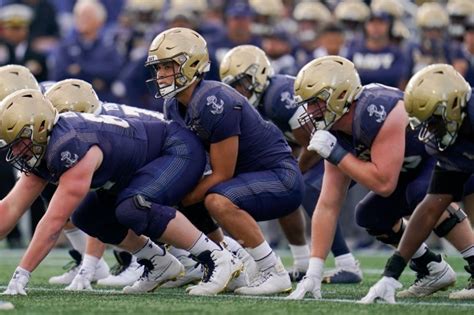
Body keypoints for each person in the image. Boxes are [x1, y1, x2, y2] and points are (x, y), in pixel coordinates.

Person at [0, 89, 241, 296]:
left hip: (176, 149)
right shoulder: (42, 145)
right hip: (139, 165)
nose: (18, 151)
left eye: (20, 141)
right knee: (86, 215)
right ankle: (158, 262)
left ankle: (217, 257)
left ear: (41, 127)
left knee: (133, 206)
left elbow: (53, 222)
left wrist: (22, 274)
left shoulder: (70, 144)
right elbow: (10, 207)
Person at [286, 56, 474, 300]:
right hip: (406, 172)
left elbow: (384, 184)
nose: (310, 111)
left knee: (422, 195)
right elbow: (328, 202)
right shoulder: (334, 127)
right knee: (370, 215)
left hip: (434, 162)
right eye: (308, 104)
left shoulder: (377, 110)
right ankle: (431, 267)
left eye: (315, 103)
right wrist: (314, 270)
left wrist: (338, 154)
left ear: (340, 95)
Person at [147, 27, 304, 295]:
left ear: (192, 64)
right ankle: (228, 261)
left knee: (214, 199)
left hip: (279, 176)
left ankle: (272, 270)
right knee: (186, 191)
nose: (160, 74)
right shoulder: (173, 104)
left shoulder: (214, 100)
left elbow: (222, 174)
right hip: (246, 180)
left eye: (168, 66)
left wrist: (182, 199)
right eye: (158, 67)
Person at [219, 45, 362, 284]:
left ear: (258, 74)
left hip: (341, 142)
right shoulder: (259, 104)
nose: (238, 91)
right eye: (233, 86)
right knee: (286, 188)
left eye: (241, 83)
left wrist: (295, 169)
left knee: (303, 186)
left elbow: (314, 140)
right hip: (323, 144)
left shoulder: (278, 96)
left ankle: (347, 263)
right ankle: (303, 261)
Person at [361, 64, 474, 303]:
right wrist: (391, 274)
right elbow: (430, 207)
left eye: (432, 121)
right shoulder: (448, 139)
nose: (429, 130)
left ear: (452, 106)